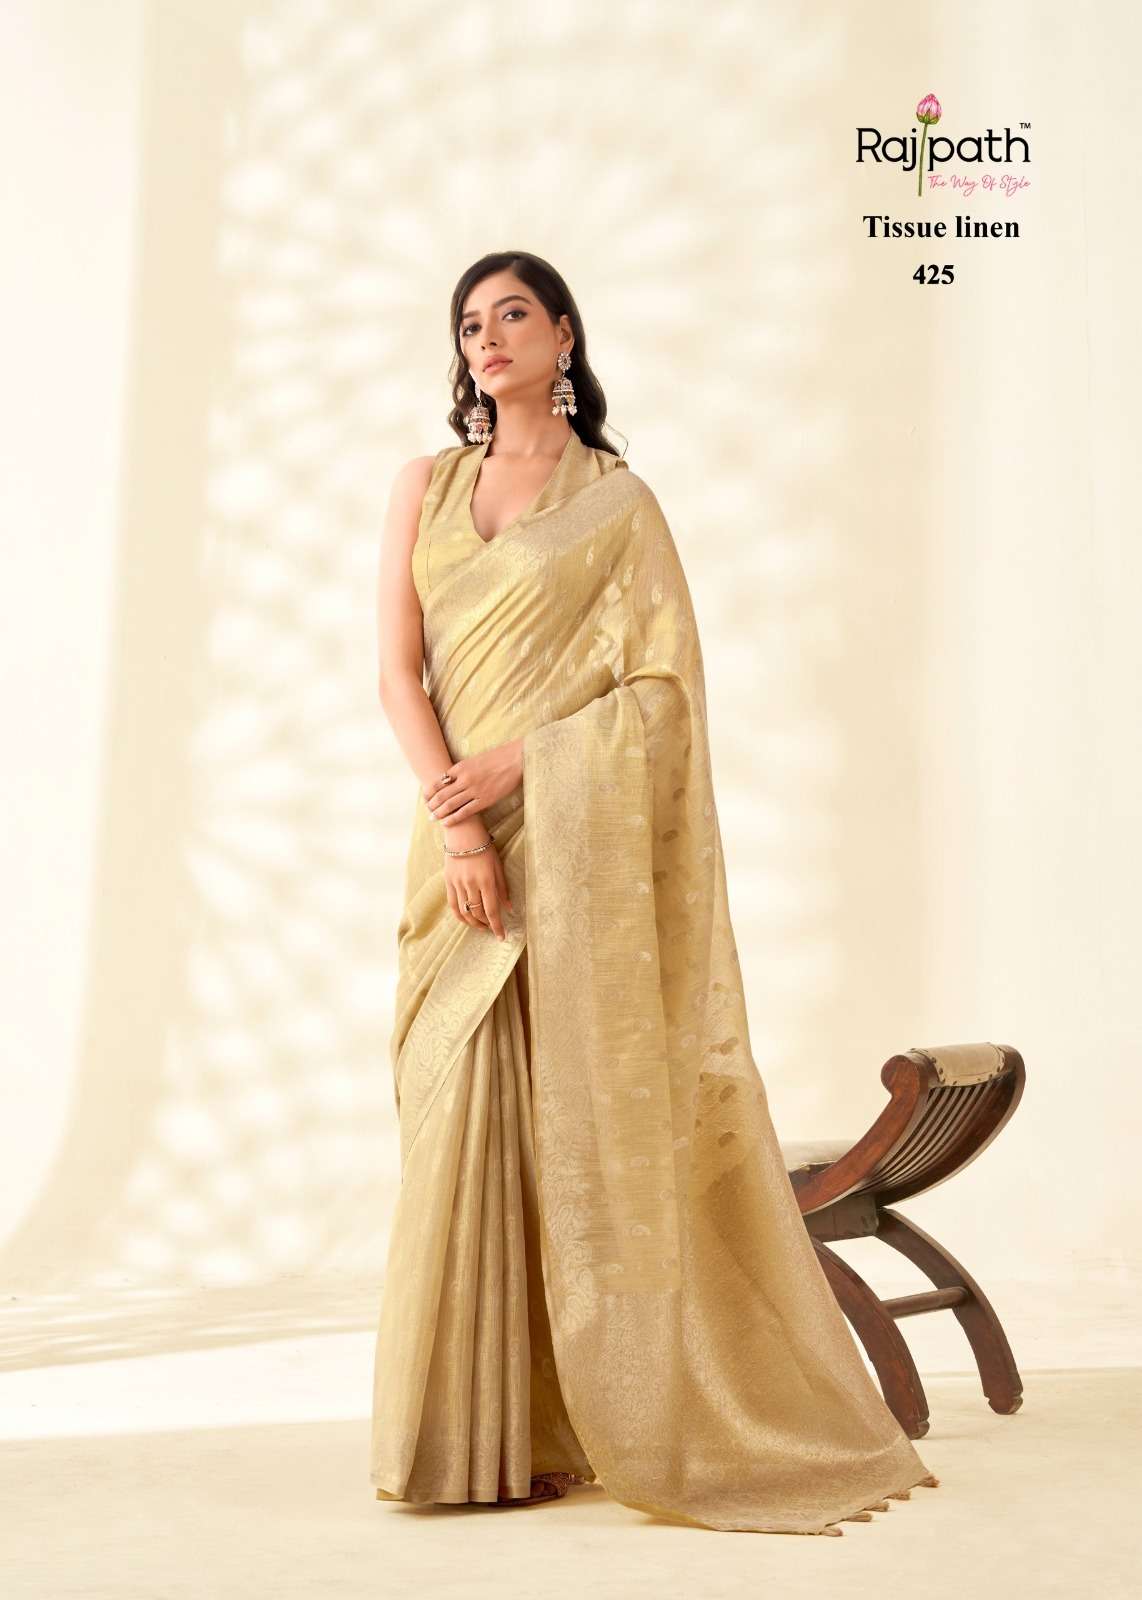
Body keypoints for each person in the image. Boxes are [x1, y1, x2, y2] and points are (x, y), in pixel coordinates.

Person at [369, 251, 940, 1535]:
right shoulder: (425, 484)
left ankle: (571, 1421)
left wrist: (527, 761)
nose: (485, 337)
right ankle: (463, 1437)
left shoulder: (617, 504)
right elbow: (398, 673)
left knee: (566, 1114)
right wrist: (458, 820)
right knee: (455, 1106)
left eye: (512, 314)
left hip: (564, 844)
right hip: (456, 841)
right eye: (468, 322)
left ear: (563, 336)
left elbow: (663, 694)